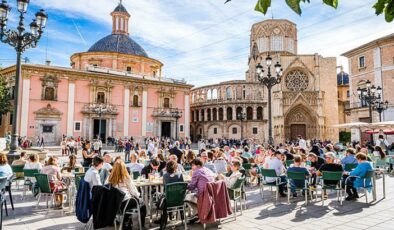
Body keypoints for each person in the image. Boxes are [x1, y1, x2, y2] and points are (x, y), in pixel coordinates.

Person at [107, 159, 146, 229]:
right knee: (142, 204)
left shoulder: (109, 178)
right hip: (125, 203)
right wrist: (138, 195)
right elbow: (134, 192)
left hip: (114, 205)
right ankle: (141, 226)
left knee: (130, 204)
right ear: (123, 168)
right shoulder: (126, 178)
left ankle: (126, 222)